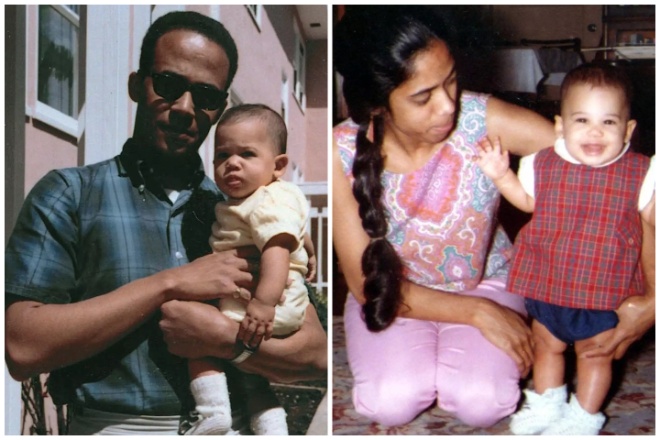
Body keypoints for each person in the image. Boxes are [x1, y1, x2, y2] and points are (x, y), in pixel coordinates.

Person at [332, 6, 654, 430]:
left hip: (488, 280)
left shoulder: (482, 118)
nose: (448, 105)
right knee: (390, 402)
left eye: (451, 80)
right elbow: (365, 284)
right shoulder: (339, 154)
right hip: (392, 298)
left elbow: (628, 185)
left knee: (484, 403)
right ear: (377, 103)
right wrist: (478, 313)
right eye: (423, 96)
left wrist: (653, 299)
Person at [5, 11, 326, 435]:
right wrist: (169, 284)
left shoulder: (240, 214)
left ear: (220, 108)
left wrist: (221, 339)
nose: (185, 108)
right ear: (138, 84)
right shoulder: (72, 194)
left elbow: (316, 355)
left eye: (206, 96)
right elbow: (22, 345)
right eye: (170, 85)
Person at [476, 64, 655, 435]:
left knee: (594, 354)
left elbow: (651, 223)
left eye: (609, 122)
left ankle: (583, 415)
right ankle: (547, 402)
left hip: (605, 291)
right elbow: (526, 201)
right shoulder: (542, 163)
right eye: (582, 120)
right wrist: (500, 175)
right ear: (560, 126)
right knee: (547, 345)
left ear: (629, 129)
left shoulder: (641, 172)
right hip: (550, 281)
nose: (594, 131)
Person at [186, 104, 315, 435]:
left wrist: (263, 304)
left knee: (191, 331)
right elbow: (296, 233)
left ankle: (212, 411)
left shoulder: (262, 202)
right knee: (253, 381)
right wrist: (310, 254)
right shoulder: (284, 196)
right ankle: (273, 428)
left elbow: (275, 250)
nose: (232, 163)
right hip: (281, 301)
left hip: (262, 303)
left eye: (247, 153)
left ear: (278, 166)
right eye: (222, 155)